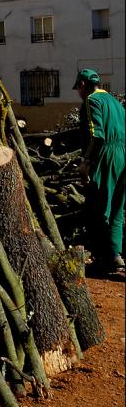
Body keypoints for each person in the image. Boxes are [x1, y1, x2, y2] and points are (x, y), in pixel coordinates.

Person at [74, 68, 125, 275]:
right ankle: (116, 256)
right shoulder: (116, 104)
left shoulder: (91, 101)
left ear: (83, 85)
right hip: (124, 154)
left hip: (107, 155)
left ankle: (102, 258)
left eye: (78, 88)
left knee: (99, 205)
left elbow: (98, 135)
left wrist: (86, 161)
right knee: (117, 208)